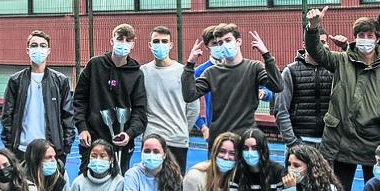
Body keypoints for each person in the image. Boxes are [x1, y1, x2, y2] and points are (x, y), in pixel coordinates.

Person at [303, 7, 380, 191]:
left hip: (373, 144)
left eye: (370, 36)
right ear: (355, 37)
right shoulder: (341, 61)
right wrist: (313, 27)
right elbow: (316, 51)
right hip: (339, 141)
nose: (365, 39)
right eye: (361, 35)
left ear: (377, 39)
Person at [182, 23, 283, 146]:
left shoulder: (254, 67)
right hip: (218, 139)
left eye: (228, 40)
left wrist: (266, 55)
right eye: (219, 43)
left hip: (246, 139)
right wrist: (189, 64)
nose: (224, 45)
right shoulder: (210, 73)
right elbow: (189, 96)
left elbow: (277, 87)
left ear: (238, 41)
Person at [75, 24, 149, 172]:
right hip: (93, 140)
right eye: (120, 39)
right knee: (87, 181)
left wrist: (129, 134)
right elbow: (79, 100)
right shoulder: (94, 65)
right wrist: (82, 128)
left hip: (121, 144)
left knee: (118, 187)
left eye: (128, 40)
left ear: (133, 44)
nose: (123, 43)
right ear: (112, 41)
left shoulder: (137, 74)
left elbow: (140, 111)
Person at [0, 30, 76, 157]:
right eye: (34, 45)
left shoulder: (60, 80)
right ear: (27, 50)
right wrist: (9, 146)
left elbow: (68, 116)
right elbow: (7, 116)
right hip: (22, 149)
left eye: (43, 45)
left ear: (48, 51)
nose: (38, 49)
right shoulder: (16, 80)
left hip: (51, 150)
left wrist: (65, 149)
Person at [141, 27, 200, 169]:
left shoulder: (183, 72)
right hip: (151, 140)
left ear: (171, 45)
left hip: (177, 140)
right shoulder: (142, 72)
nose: (160, 45)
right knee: (150, 187)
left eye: (164, 41)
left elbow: (193, 108)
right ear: (150, 45)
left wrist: (182, 130)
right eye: (156, 41)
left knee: (175, 187)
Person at [271, 30, 334, 150]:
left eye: (324, 42)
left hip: (328, 144)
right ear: (305, 44)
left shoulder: (333, 70)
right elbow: (281, 109)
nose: (323, 45)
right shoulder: (290, 71)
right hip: (300, 141)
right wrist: (293, 143)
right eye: (319, 41)